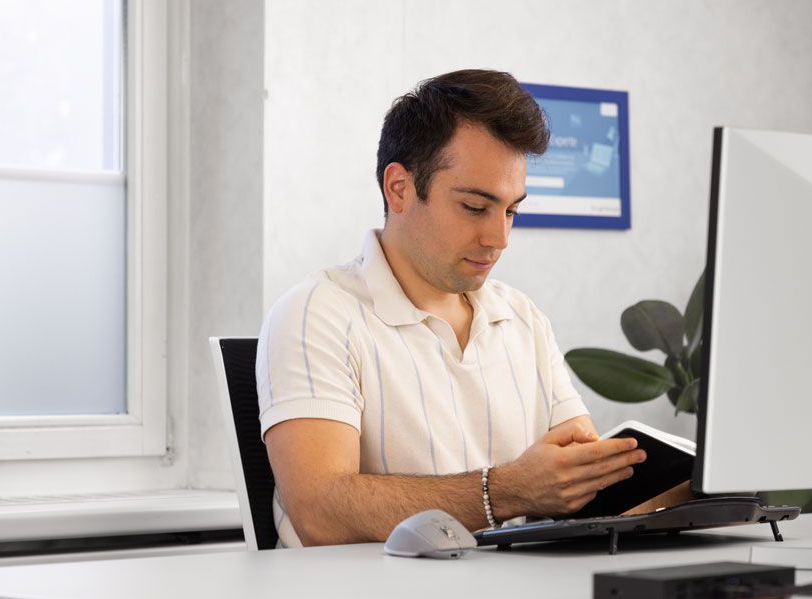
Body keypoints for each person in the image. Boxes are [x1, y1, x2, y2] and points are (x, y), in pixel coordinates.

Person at [256, 69, 646, 548]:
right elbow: (320, 512)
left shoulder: (522, 319)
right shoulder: (315, 313)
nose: (499, 239)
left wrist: (694, 486)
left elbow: (585, 484)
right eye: (475, 207)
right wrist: (502, 492)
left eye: (511, 211)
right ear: (399, 188)